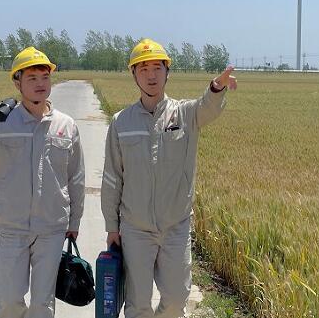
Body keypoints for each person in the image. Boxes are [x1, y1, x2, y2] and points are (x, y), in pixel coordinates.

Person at [101, 38, 237, 318]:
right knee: (138, 305)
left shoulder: (184, 114)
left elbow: (207, 108)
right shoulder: (121, 122)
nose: (151, 75)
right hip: (135, 229)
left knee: (176, 300)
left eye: (157, 68)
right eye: (143, 69)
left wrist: (216, 87)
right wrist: (112, 227)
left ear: (167, 72)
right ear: (134, 74)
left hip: (175, 227)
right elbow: (112, 178)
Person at [0, 46, 85, 318]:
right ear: (17, 82)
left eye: (45, 77)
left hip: (51, 228)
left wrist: (74, 223)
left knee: (42, 305)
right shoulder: (1, 123)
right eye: (32, 78)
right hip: (12, 228)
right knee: (8, 300)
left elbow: (76, 178)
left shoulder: (66, 125)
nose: (40, 84)